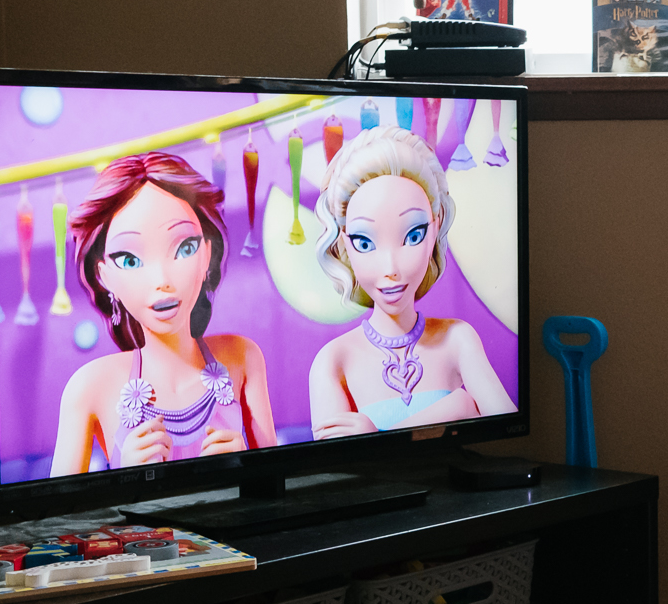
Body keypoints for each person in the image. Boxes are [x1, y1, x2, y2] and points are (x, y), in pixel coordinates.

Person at [49, 152, 275, 474]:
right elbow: (59, 518)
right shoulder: (88, 388)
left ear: (207, 255)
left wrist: (246, 464)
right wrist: (123, 480)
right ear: (103, 275)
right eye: (129, 259)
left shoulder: (243, 357)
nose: (162, 281)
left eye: (184, 248)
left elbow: (278, 483)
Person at [308, 126, 512, 436]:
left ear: (435, 227)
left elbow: (505, 427)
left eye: (412, 235)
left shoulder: (458, 339)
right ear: (344, 244)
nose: (391, 268)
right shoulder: (333, 362)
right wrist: (458, 406)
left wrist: (376, 439)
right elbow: (333, 473)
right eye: (365, 242)